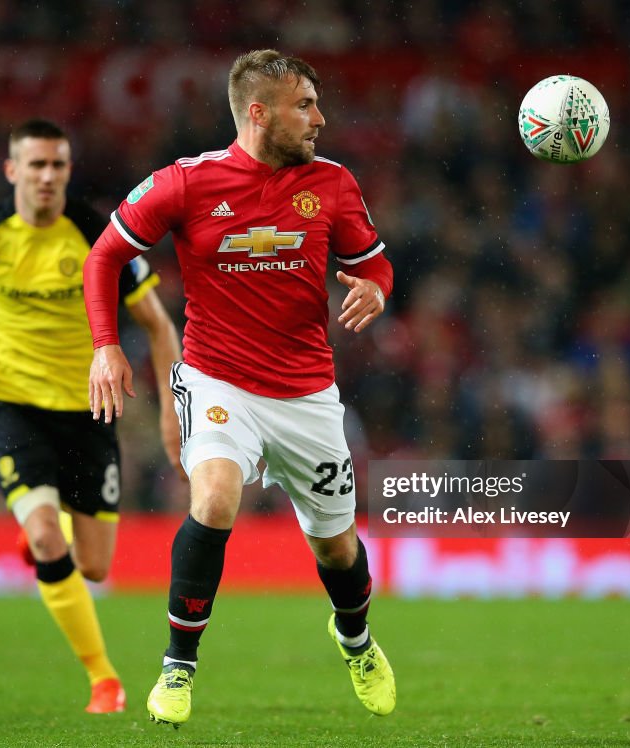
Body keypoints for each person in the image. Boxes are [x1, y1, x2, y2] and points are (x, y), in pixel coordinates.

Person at [83, 50, 396, 726]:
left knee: (336, 548)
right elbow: (105, 254)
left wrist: (375, 288)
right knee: (216, 498)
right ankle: (177, 667)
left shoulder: (333, 184)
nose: (321, 118)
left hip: (307, 394)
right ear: (259, 113)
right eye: (305, 105)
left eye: (316, 103)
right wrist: (106, 348)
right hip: (218, 378)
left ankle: (356, 640)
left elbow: (374, 265)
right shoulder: (187, 183)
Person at [0, 118, 182, 715]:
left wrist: (173, 413)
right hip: (16, 406)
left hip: (90, 411)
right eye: (36, 165)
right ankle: (104, 680)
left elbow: (160, 326)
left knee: (94, 565)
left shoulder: (97, 232)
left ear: (69, 171)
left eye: (58, 165)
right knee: (47, 540)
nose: (48, 176)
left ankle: (44, 526)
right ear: (12, 169)